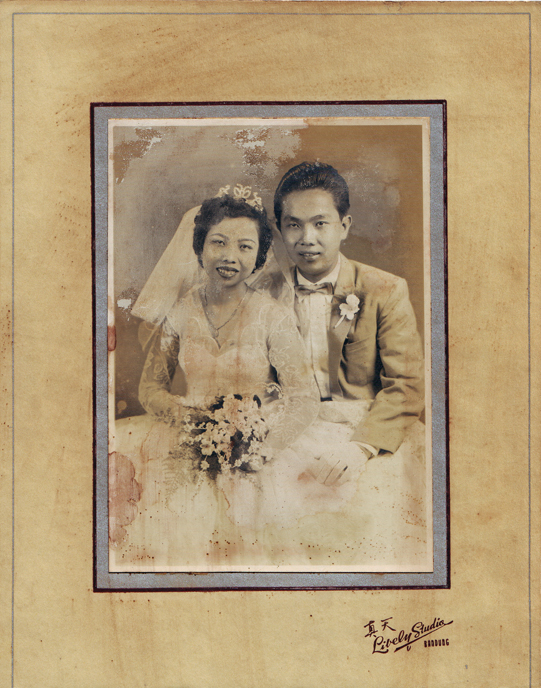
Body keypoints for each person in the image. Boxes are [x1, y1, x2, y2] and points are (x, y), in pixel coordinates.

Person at [110, 186, 370, 571]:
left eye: (245, 246)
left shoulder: (272, 316)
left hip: (259, 445)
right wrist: (185, 417)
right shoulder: (179, 313)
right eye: (218, 242)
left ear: (260, 257)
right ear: (199, 248)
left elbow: (303, 398)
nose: (230, 256)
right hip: (186, 437)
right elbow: (151, 388)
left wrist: (262, 447)